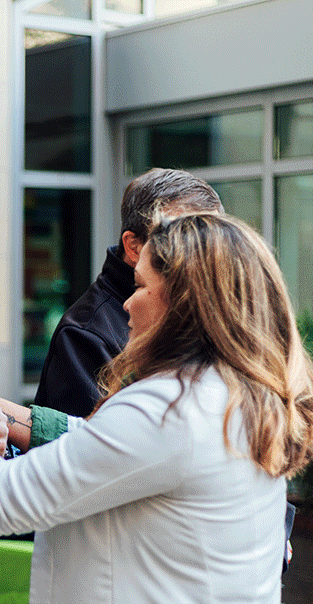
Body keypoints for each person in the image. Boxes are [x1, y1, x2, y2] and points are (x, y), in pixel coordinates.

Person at [0, 211, 313, 604]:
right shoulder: (240, 395)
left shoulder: (169, 408)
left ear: (182, 305)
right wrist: (4, 409)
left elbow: (0, 499)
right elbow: (110, 450)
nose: (126, 305)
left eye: (140, 287)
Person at [34, 167, 223, 417]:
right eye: (178, 239)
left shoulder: (212, 312)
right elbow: (92, 443)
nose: (199, 252)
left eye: (208, 238)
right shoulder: (87, 334)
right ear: (134, 247)